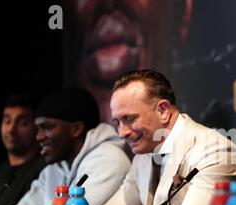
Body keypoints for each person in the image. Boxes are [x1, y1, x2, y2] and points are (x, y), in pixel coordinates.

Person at [91, 69, 236, 205]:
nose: (122, 133)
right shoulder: (144, 154)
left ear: (163, 110)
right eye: (117, 122)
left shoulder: (216, 150)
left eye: (130, 119)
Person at [4, 87, 131, 205]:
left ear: (76, 129)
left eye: (47, 127)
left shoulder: (108, 160)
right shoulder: (53, 169)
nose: (38, 136)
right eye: (38, 128)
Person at [63, 0, 193, 125]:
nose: (109, 2)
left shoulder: (203, 143)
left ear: (181, 14)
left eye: (129, 119)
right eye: (119, 122)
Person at [0, 93, 46, 205]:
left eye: (23, 123)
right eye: (7, 121)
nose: (11, 129)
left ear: (37, 128)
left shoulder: (44, 171)